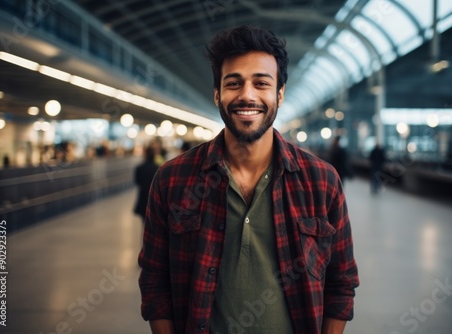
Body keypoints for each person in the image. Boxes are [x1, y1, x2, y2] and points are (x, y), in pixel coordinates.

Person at [138, 25, 359, 334]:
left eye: (261, 83)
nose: (247, 95)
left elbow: (342, 281)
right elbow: (155, 280)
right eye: (234, 83)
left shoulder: (321, 181)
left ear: (279, 94)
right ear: (217, 93)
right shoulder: (172, 180)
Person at [133, 146, 160, 221]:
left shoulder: (139, 168)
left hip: (143, 196)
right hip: (155, 197)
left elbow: (137, 181)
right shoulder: (158, 168)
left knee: (144, 221)